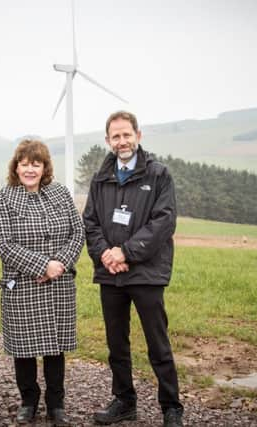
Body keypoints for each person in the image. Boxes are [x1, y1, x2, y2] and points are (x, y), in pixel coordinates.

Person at [83, 111, 184, 427]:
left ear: (138, 136)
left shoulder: (158, 175)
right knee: (116, 344)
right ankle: (124, 402)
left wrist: (126, 252)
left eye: (127, 134)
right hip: (110, 274)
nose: (122, 141)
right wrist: (106, 256)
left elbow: (163, 221)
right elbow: (91, 222)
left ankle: (171, 407)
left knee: (157, 342)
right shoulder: (101, 177)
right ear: (108, 141)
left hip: (146, 273)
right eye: (116, 136)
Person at [0, 139, 85, 426]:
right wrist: (43, 266)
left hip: (59, 285)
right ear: (15, 166)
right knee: (24, 349)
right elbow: (4, 244)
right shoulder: (2, 199)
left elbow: (77, 233)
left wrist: (59, 265)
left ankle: (56, 404)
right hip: (22, 286)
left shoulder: (60, 193)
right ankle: (28, 401)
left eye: (36, 163)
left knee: (56, 348)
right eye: (25, 163)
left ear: (45, 168)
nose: (30, 169)